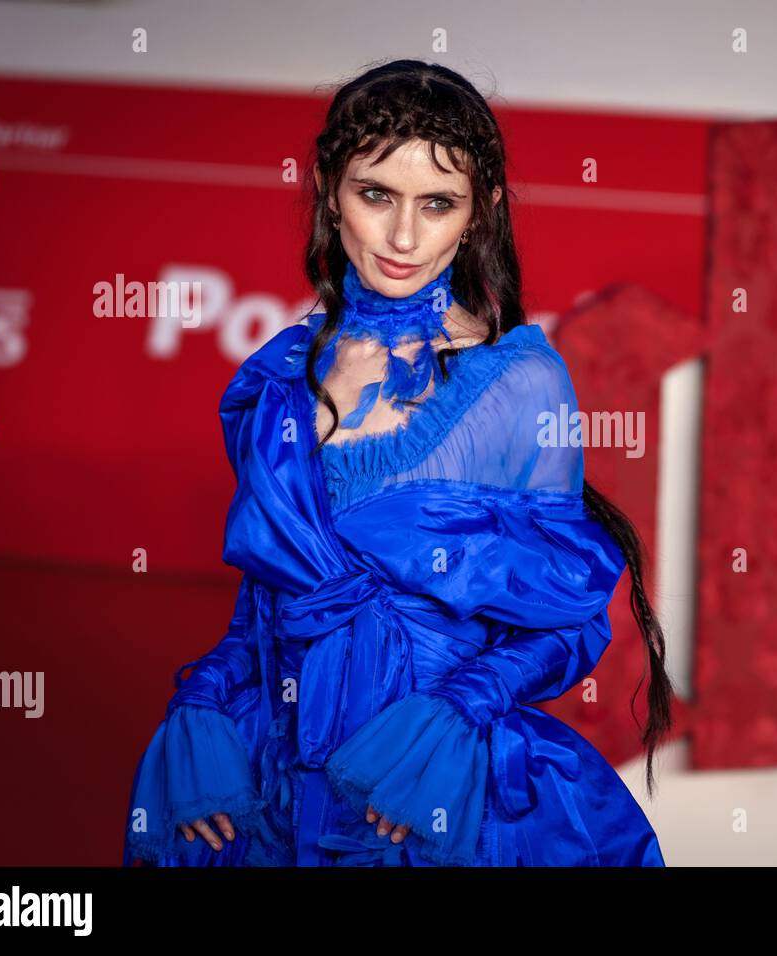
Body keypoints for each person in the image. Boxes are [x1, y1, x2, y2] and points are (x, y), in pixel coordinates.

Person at [121, 59, 673, 867]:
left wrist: (458, 710)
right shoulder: (278, 376)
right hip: (271, 779)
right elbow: (269, 602)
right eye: (376, 195)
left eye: (438, 203)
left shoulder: (520, 381)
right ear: (328, 191)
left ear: (480, 211)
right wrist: (205, 696)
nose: (405, 237)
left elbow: (569, 620)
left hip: (427, 791)